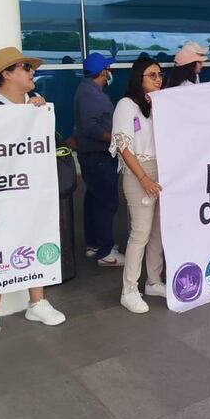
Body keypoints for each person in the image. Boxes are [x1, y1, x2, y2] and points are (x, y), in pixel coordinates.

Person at [0, 47, 66, 351]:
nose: (31, 72)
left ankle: (37, 302)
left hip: (29, 190)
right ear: (7, 74)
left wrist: (38, 116)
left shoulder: (31, 104)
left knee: (34, 238)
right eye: (25, 67)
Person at [111, 57, 165, 314]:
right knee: (140, 232)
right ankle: (129, 289)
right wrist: (143, 178)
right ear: (138, 78)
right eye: (152, 75)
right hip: (138, 173)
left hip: (161, 170)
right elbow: (123, 146)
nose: (158, 79)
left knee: (157, 231)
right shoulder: (126, 105)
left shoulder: (158, 103)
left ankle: (154, 280)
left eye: (159, 74)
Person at [74, 52, 124, 266]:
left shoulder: (90, 91)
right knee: (106, 202)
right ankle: (105, 253)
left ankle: (95, 244)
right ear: (102, 72)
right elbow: (91, 127)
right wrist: (115, 139)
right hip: (99, 156)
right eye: (108, 68)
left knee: (94, 199)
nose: (110, 71)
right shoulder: (91, 95)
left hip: (95, 155)